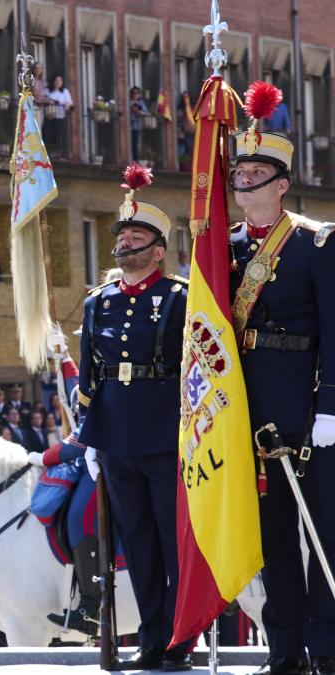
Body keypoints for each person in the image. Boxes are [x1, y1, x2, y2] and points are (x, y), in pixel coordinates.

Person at [227, 92, 335, 675]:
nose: (244, 183)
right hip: (250, 410)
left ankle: (327, 646)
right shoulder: (226, 249)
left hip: (308, 406)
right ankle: (286, 650)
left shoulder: (316, 243)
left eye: (255, 175)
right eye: (239, 175)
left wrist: (331, 407)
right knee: (274, 543)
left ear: (281, 184)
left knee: (323, 534)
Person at [72, 164, 193, 671]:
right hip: (117, 434)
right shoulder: (98, 302)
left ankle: (178, 641)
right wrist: (90, 439)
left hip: (165, 431)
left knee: (172, 542)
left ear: (158, 250)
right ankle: (150, 639)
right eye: (122, 236)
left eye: (137, 237)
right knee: (138, 545)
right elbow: (88, 377)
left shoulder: (181, 297)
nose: (125, 245)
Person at [44, 75, 74, 158]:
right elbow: (44, 99)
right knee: (48, 134)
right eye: (56, 80)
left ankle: (59, 153)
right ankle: (48, 153)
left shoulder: (64, 91)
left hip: (60, 117)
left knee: (59, 135)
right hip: (49, 117)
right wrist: (51, 101)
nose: (58, 82)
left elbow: (69, 102)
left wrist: (67, 106)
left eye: (60, 81)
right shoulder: (48, 91)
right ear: (53, 82)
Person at [176, 91, 195, 167]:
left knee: (192, 147)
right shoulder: (180, 108)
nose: (186, 99)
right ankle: (185, 163)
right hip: (184, 131)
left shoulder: (192, 106)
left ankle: (191, 163)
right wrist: (181, 128)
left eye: (187, 97)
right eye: (184, 97)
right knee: (185, 147)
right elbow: (179, 119)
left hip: (192, 130)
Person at [129, 87, 148, 162]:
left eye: (137, 93)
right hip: (128, 126)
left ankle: (135, 160)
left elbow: (145, 112)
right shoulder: (129, 102)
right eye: (133, 93)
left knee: (135, 143)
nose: (135, 95)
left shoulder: (140, 103)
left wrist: (137, 111)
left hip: (136, 126)